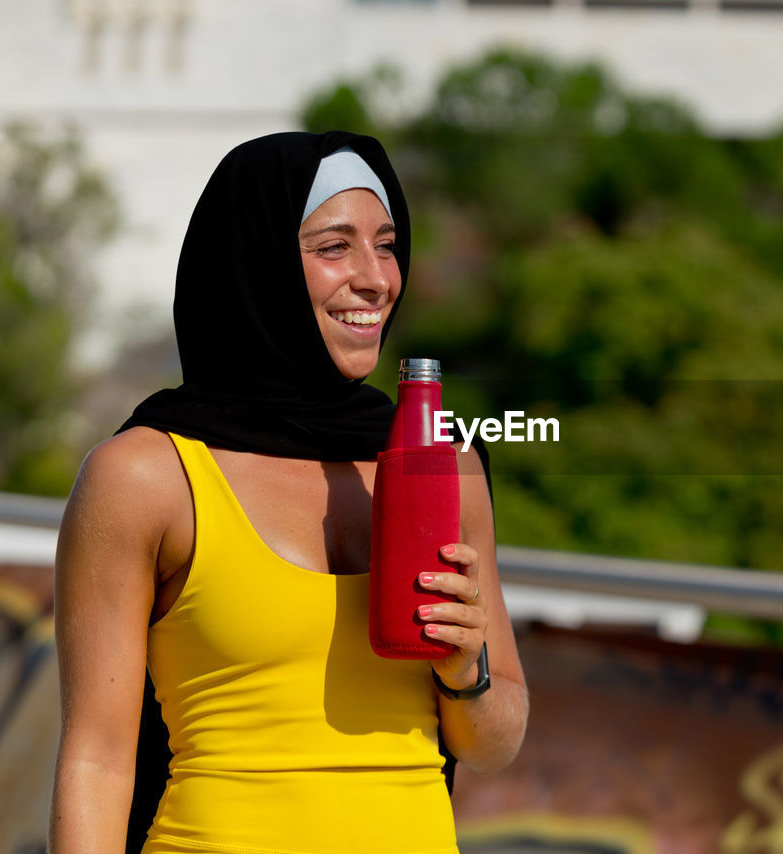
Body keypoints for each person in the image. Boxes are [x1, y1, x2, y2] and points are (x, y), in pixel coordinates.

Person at [49, 131, 528, 854]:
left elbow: (495, 743)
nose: (376, 278)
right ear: (257, 262)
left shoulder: (442, 460)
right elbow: (97, 759)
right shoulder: (147, 475)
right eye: (334, 247)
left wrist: (467, 672)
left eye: (388, 243)